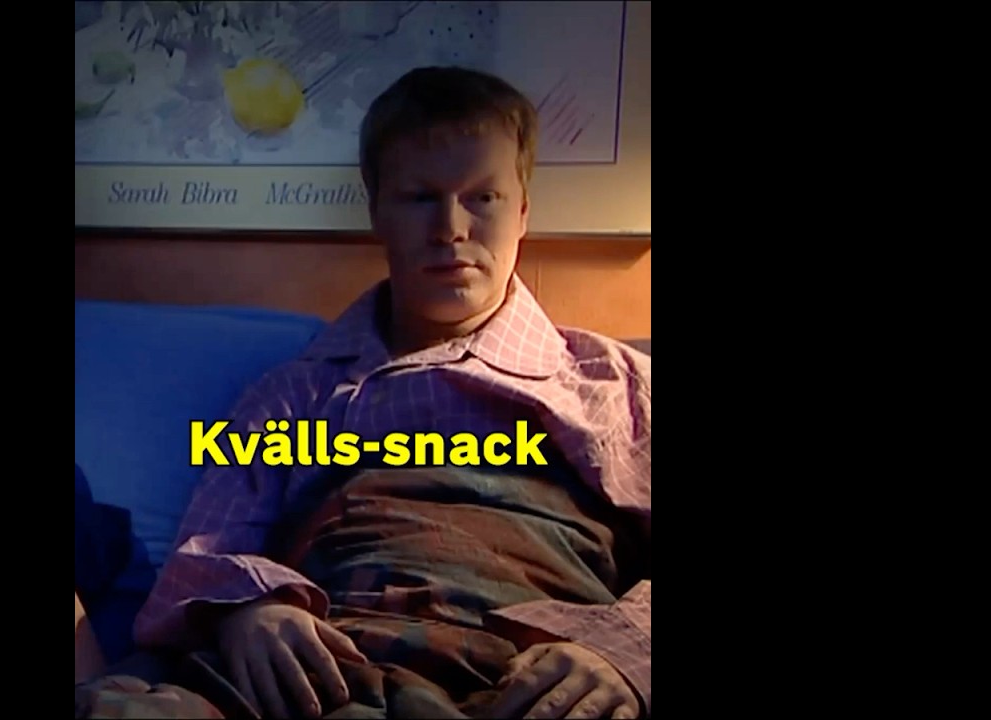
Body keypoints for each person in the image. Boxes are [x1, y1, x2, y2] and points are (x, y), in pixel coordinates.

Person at [78, 66, 651, 719]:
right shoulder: (295, 394)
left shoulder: (613, 384)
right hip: (319, 674)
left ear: (521, 212)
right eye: (420, 197)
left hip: (523, 679)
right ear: (377, 209)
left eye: (482, 198)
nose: (450, 228)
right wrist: (248, 610)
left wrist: (623, 652)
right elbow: (203, 555)